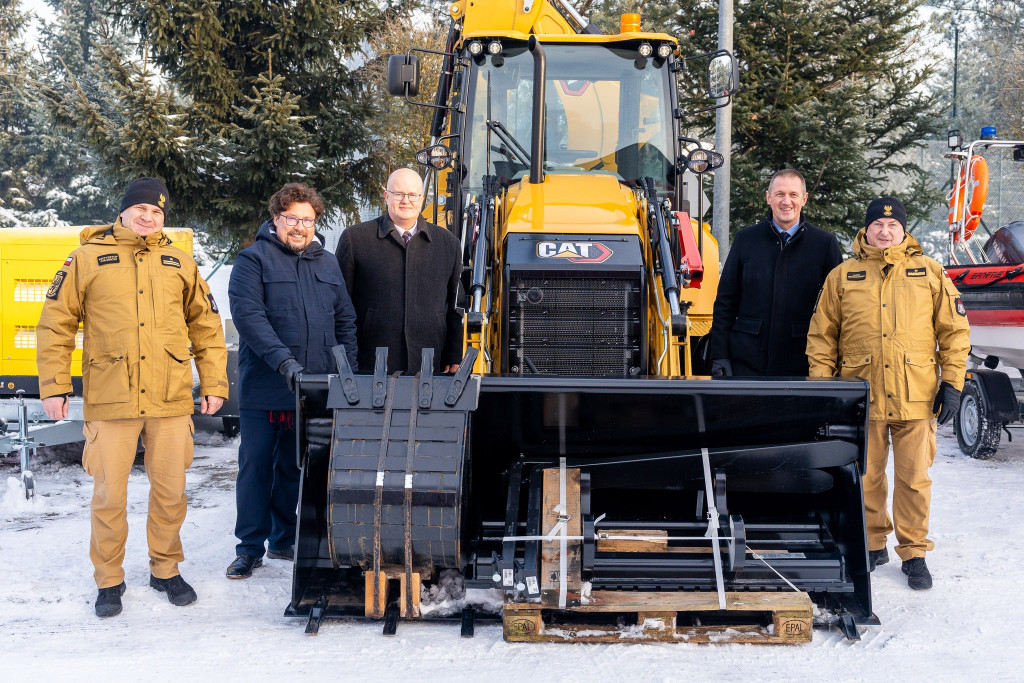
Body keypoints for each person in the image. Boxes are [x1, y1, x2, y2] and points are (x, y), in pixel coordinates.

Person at [36, 177, 228, 617]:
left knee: (171, 492)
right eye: (141, 208)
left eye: (158, 212)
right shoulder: (84, 260)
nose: (149, 216)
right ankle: (109, 580)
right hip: (110, 397)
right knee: (109, 496)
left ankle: (165, 569)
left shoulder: (179, 262)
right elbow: (55, 325)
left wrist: (214, 383)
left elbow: (206, 326)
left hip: (170, 397)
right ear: (122, 211)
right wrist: (54, 385)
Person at [806, 197, 970, 590]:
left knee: (914, 478)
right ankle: (873, 543)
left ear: (903, 231)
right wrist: (823, 389)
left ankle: (914, 552)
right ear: (866, 230)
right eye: (877, 225)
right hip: (861, 395)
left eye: (892, 226)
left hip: (917, 394)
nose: (884, 231)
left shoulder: (929, 272)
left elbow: (954, 331)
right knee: (867, 476)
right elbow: (822, 337)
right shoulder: (843, 276)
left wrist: (953, 383)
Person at [225, 182, 358, 579]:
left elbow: (345, 321)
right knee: (256, 467)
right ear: (276, 219)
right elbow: (251, 319)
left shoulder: (327, 263)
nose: (299, 227)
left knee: (293, 466)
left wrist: (346, 369)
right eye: (292, 219)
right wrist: (284, 363)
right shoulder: (252, 260)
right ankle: (249, 547)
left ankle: (284, 538)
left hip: (315, 387)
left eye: (307, 219)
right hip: (268, 388)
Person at [708, 169, 843, 376]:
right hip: (746, 361)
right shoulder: (746, 239)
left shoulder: (824, 244)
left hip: (802, 362)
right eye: (779, 194)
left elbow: (837, 309)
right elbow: (726, 302)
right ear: (768, 197)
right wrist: (719, 355)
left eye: (793, 195)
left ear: (804, 199)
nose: (786, 201)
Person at [335, 168, 463, 374]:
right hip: (371, 362)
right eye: (399, 194)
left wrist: (454, 354)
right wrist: (346, 358)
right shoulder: (355, 239)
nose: (406, 200)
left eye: (412, 195)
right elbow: (340, 304)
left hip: (429, 362)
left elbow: (455, 306)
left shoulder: (448, 244)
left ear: (421, 198)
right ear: (386, 196)